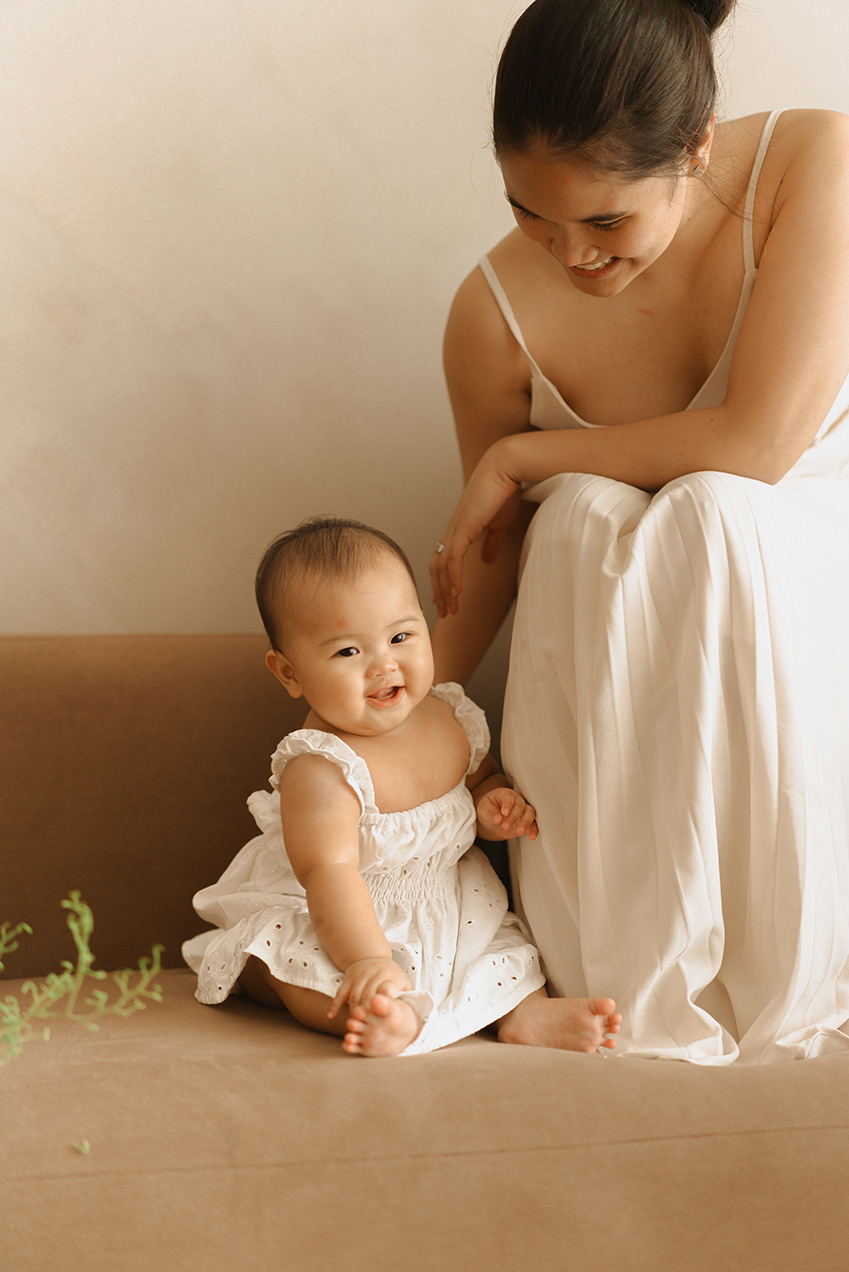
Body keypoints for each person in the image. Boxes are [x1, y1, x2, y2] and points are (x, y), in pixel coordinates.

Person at [430, 0, 849, 1064]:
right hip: (628, 683)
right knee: (579, 522)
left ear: (698, 146)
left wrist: (523, 457)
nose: (571, 255)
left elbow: (756, 444)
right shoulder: (489, 318)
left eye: (606, 223)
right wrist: (394, 716)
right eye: (531, 213)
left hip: (810, 601)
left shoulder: (813, 162)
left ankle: (792, 976)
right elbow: (493, 561)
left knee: (714, 509)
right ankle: (626, 986)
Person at [182, 517, 620, 1057]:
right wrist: (367, 960)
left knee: (500, 944)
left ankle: (523, 1013)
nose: (383, 664)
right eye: (348, 652)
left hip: (447, 903)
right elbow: (328, 873)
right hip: (336, 917)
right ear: (289, 673)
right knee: (300, 969)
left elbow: (478, 781)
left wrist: (492, 805)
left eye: (400, 637)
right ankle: (381, 1014)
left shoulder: (450, 717)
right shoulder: (321, 767)